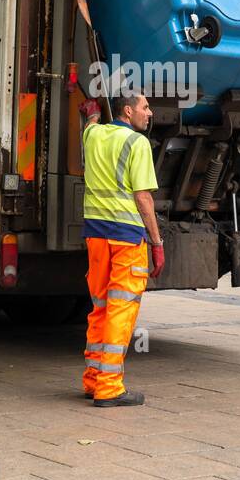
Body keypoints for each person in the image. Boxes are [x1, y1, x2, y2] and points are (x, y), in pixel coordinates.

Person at [78, 91, 163, 407]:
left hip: (96, 236)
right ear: (128, 111)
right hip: (127, 238)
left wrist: (91, 113)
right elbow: (143, 197)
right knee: (121, 308)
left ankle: (93, 380)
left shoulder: (93, 135)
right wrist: (157, 243)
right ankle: (110, 388)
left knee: (100, 306)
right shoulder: (137, 144)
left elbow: (91, 123)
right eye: (145, 106)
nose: (150, 112)